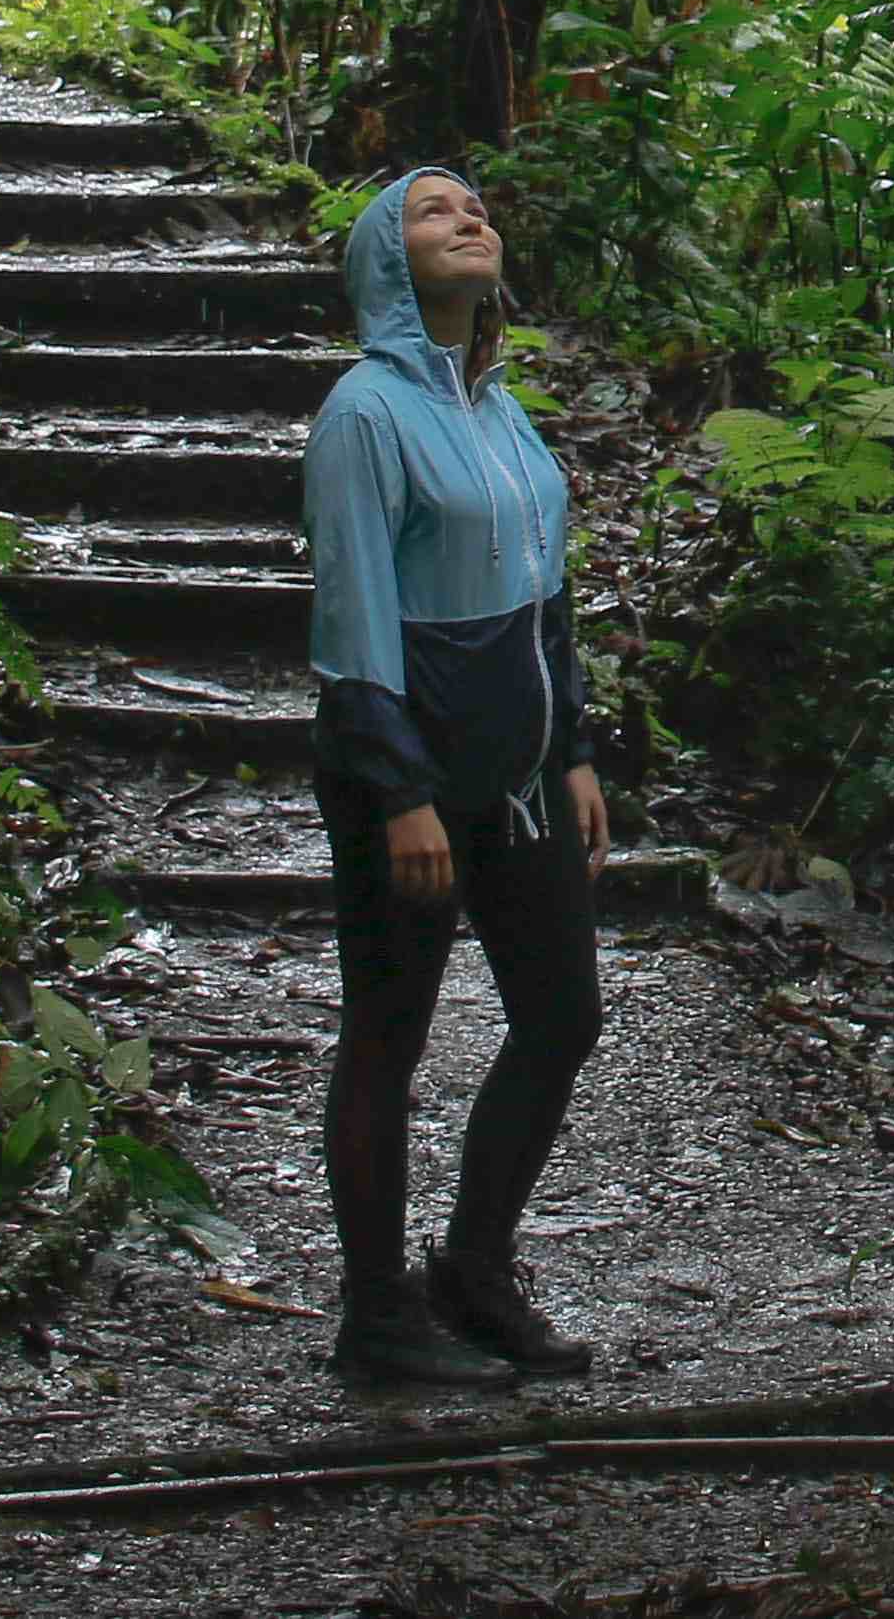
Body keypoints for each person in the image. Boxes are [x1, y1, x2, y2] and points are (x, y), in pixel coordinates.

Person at [301, 165, 609, 1388]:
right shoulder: (364, 413)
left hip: (521, 782)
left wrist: (573, 745)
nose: (468, 218)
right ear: (386, 258)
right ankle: (376, 1314)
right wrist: (400, 788)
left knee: (562, 1016)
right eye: (433, 211)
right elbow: (354, 615)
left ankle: (473, 1269)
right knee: (388, 1034)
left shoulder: (500, 408)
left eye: (475, 206)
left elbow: (547, 597)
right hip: (411, 784)